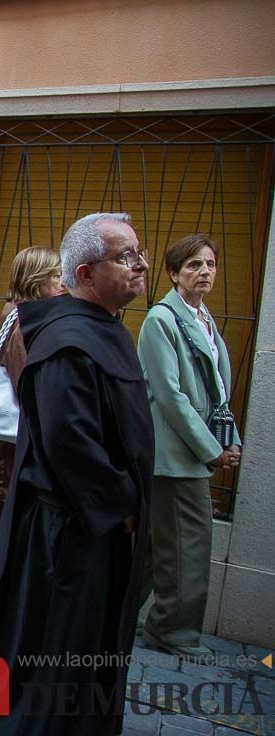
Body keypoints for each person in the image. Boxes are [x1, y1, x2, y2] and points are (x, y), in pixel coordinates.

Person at [0, 212, 155, 736]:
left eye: (138, 253)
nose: (140, 265)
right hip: (71, 532)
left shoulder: (99, 328)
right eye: (125, 256)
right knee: (56, 643)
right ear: (87, 274)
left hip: (86, 525)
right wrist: (121, 505)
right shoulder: (68, 339)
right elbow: (70, 441)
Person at [137, 234, 241, 658]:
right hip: (175, 455)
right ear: (174, 273)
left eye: (211, 265)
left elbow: (215, 390)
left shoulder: (202, 318)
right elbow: (170, 395)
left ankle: (123, 614)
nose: (204, 272)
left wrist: (226, 440)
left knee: (153, 546)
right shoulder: (162, 319)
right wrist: (210, 450)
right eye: (194, 265)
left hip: (189, 450)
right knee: (188, 547)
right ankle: (173, 633)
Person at [0, 246, 63, 621]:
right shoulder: (23, 319)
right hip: (10, 446)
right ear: (38, 281)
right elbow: (28, 385)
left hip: (10, 443)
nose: (62, 283)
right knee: (0, 530)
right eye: (55, 276)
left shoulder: (24, 316)